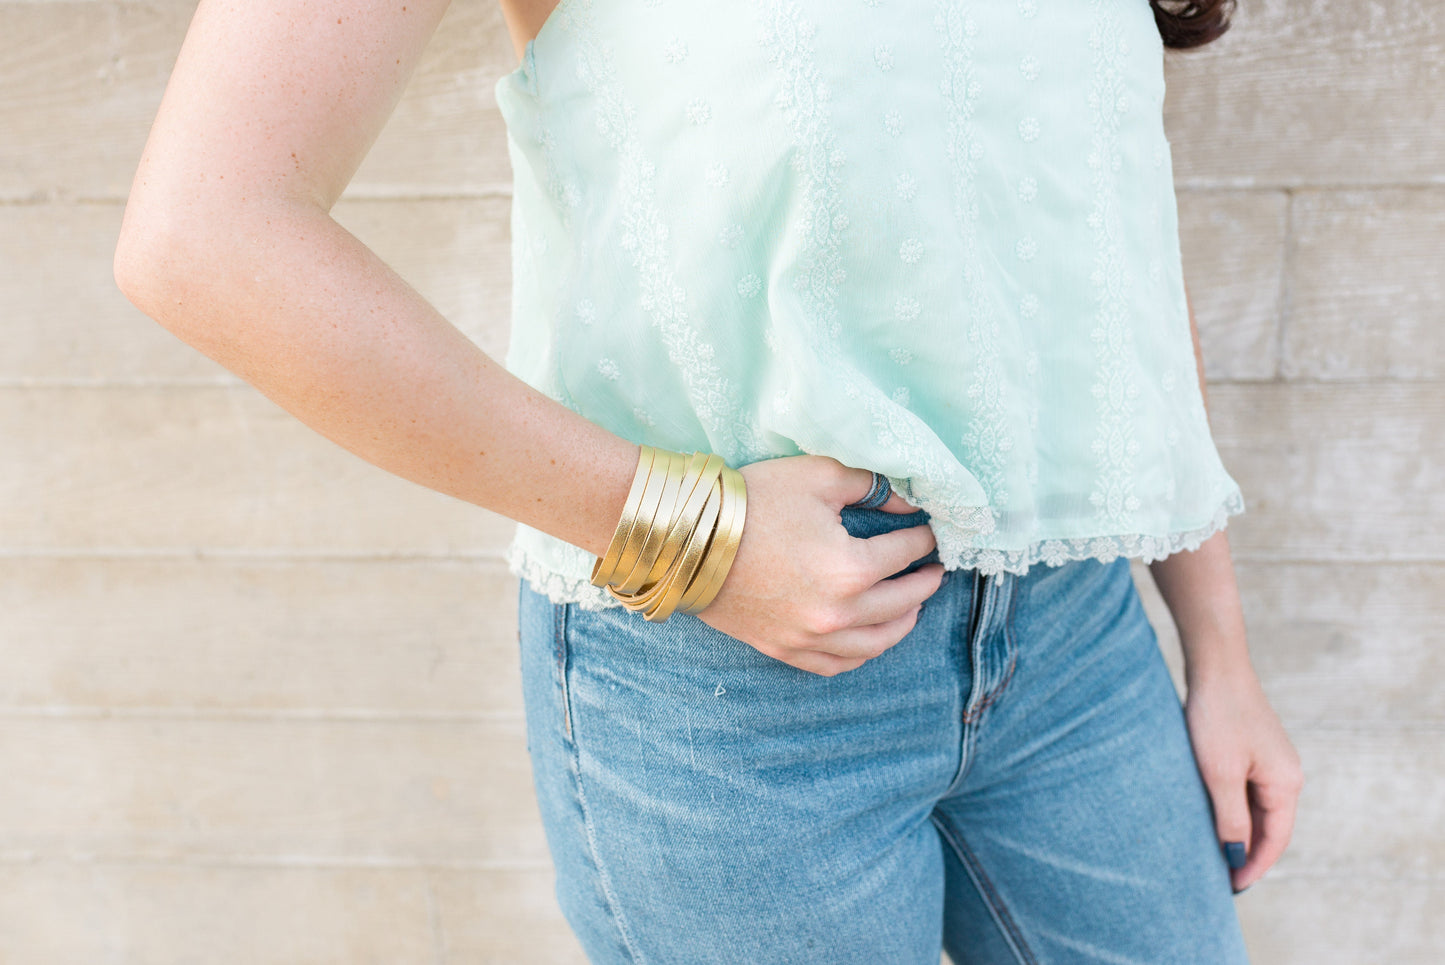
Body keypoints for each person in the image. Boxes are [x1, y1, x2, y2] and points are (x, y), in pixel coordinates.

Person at [115, 0, 1303, 961]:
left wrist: (1220, 651)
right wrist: (702, 538)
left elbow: (1098, 246)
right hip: (730, 693)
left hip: (1077, 637)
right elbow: (205, 232)